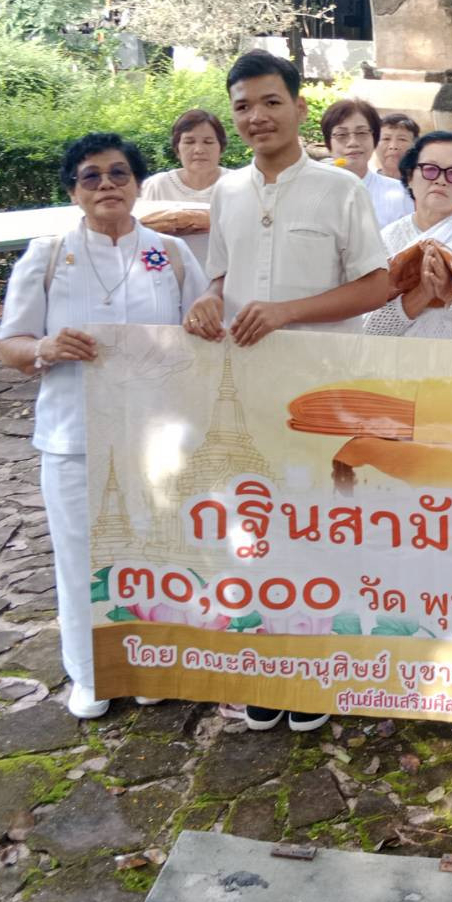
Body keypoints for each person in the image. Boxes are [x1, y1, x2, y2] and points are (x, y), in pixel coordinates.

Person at [185, 51, 390, 734]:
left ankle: (322, 666)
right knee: (258, 527)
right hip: (246, 388)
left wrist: (286, 312)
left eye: (270, 102)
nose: (256, 117)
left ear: (300, 109)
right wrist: (209, 305)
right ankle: (269, 668)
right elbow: (220, 279)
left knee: (322, 525)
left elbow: (377, 284)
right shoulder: (227, 193)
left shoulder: (340, 190)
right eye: (242, 105)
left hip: (324, 389)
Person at [0, 133, 208, 718]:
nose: (107, 185)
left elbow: (201, 328)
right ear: (73, 190)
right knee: (77, 554)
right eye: (90, 176)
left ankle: (149, 664)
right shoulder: (47, 255)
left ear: (139, 185)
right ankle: (89, 673)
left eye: (119, 174)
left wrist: (206, 319)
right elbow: (9, 346)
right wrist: (44, 345)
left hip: (157, 434)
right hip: (72, 433)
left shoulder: (169, 252)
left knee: (151, 551)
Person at [365, 131, 452, 338]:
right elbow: (368, 329)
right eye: (430, 169)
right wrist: (422, 293)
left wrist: (450, 293)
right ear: (409, 177)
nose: (441, 180)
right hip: (398, 364)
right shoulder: (388, 238)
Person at [140, 109, 228, 265]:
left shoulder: (237, 184)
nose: (199, 149)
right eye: (189, 142)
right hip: (169, 276)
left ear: (221, 148)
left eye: (208, 142)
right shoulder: (157, 186)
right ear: (177, 149)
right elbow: (141, 238)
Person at [320, 97, 408, 229]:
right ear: (328, 144)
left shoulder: (401, 194)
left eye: (361, 132)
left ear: (374, 139)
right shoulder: (311, 193)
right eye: (341, 135)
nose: (353, 142)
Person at [377, 112, 419, 179]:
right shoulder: (362, 185)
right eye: (386, 139)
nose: (393, 146)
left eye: (402, 139)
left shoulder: (423, 185)